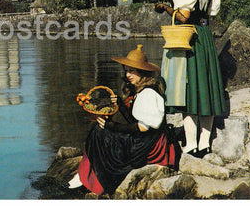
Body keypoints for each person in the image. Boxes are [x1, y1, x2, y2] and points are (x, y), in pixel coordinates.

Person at [67, 44, 178, 195]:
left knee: (100, 133)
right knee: (97, 129)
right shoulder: (139, 91)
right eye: (126, 71)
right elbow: (135, 119)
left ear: (143, 72)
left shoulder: (149, 94)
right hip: (143, 138)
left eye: (132, 71)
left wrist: (113, 126)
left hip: (149, 144)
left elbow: (143, 127)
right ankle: (84, 174)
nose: (128, 75)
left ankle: (90, 179)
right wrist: (120, 103)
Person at [155, 0, 227, 158]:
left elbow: (184, 15)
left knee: (187, 89)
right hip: (205, 36)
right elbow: (211, 12)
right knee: (205, 88)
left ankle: (191, 144)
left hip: (190, 37)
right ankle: (204, 143)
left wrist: (166, 8)